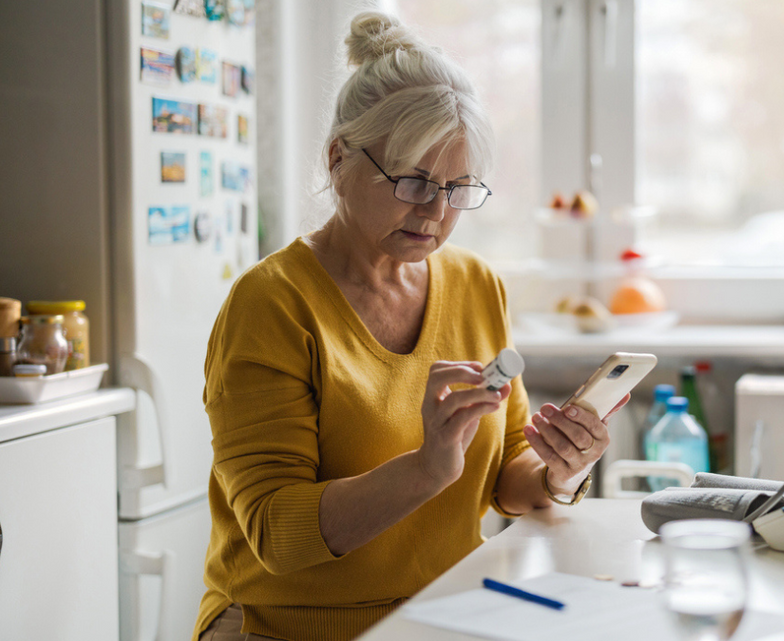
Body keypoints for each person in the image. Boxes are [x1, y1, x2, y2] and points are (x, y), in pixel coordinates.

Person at [193, 12, 627, 641]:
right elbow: (274, 534)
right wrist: (426, 468)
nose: (436, 212)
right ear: (339, 158)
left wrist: (561, 470)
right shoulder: (273, 304)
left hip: (439, 615)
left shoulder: (477, 285)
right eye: (413, 181)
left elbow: (508, 474)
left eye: (457, 188)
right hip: (285, 625)